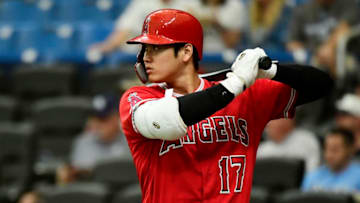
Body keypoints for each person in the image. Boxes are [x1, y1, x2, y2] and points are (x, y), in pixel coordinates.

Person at [119, 9, 333, 202]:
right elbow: (166, 121)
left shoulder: (247, 95)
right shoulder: (139, 97)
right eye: (145, 49)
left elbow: (323, 85)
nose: (145, 57)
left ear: (186, 52)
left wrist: (273, 71)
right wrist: (234, 84)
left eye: (155, 48)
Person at [57, 94, 131, 184]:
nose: (97, 124)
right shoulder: (83, 142)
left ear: (117, 117)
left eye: (103, 119)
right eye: (94, 118)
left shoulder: (132, 141)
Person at [89, 0, 198, 55]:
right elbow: (124, 28)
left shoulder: (190, 2)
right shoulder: (142, 2)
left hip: (181, 50)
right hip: (145, 50)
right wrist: (108, 46)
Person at [286, 0, 359, 78]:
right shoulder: (301, 10)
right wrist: (312, 54)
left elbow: (344, 28)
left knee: (345, 64)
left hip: (343, 54)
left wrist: (329, 48)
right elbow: (291, 43)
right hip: (312, 57)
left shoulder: (348, 4)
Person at [302, 128, 360, 193]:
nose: (329, 155)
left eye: (335, 149)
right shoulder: (312, 176)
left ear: (350, 149)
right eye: (326, 149)